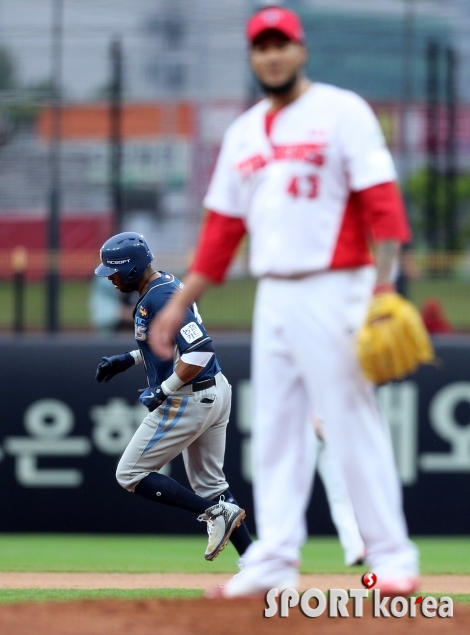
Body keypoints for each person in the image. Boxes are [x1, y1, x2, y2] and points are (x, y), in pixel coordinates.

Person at [149, 6, 418, 597]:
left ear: (301, 51)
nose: (272, 54)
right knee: (275, 425)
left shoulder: (341, 112)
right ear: (253, 58)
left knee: (351, 418)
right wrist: (178, 304)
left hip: (338, 284)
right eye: (261, 46)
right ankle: (276, 558)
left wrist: (383, 286)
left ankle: (392, 554)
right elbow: (220, 235)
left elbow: (383, 206)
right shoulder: (245, 132)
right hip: (274, 292)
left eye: (282, 44)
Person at [94, 231, 252, 563]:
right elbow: (175, 343)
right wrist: (130, 358)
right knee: (212, 484)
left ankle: (214, 513)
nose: (110, 279)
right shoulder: (165, 284)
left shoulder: (160, 297)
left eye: (114, 272)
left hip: (190, 396)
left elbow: (199, 352)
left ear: (134, 269)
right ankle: (254, 564)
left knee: (130, 473)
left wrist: (162, 390)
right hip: (215, 390)